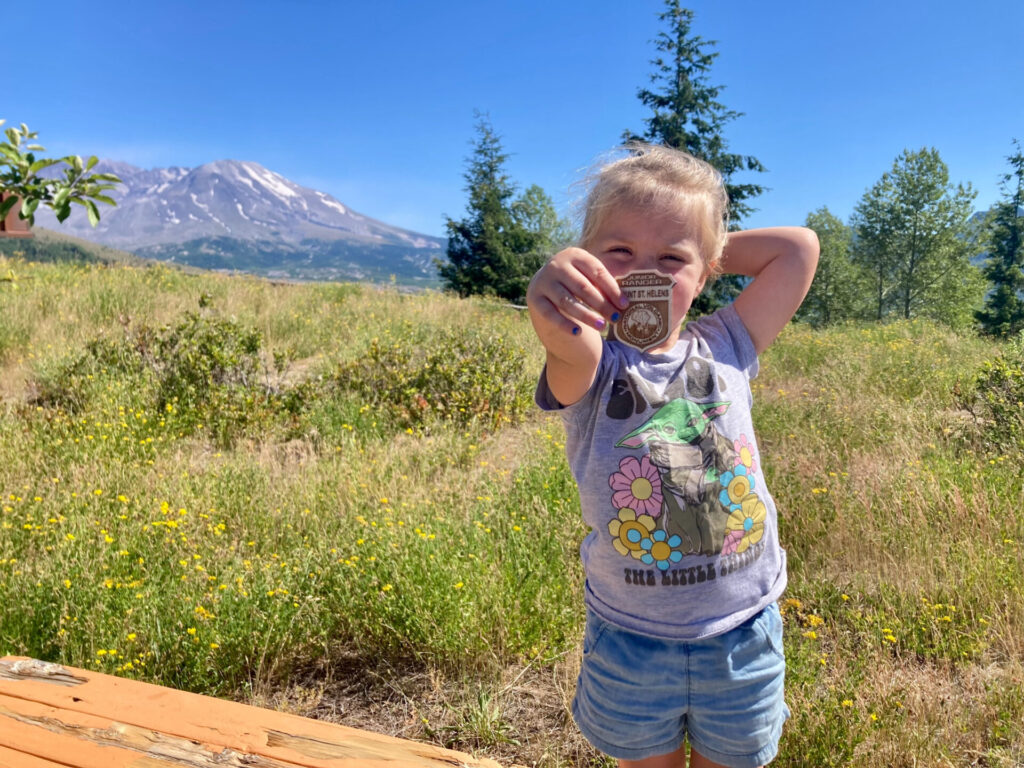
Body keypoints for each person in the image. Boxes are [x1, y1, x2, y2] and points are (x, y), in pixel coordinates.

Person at [525, 144, 819, 768]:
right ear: (589, 262)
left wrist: (702, 244)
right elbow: (564, 345)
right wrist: (559, 297)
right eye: (620, 253)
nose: (644, 274)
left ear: (707, 271)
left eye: (669, 260)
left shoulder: (729, 342)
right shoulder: (594, 362)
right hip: (632, 640)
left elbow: (798, 249)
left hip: (742, 629)